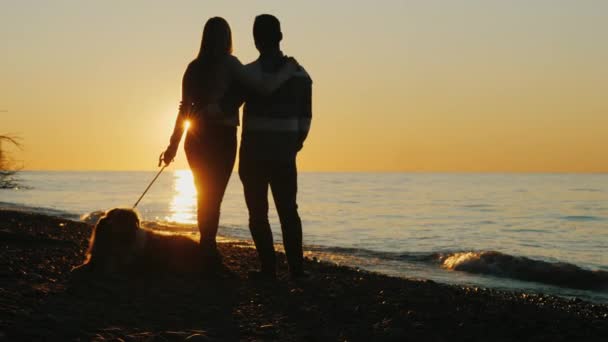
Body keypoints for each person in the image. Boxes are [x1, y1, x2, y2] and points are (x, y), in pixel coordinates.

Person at [161, 17, 298, 267]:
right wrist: (288, 70)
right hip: (222, 138)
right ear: (227, 38)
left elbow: (184, 111)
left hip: (194, 140)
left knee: (205, 194)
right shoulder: (231, 64)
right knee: (213, 197)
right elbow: (261, 87)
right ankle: (208, 253)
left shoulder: (193, 68)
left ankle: (207, 249)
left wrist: (172, 145)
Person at [219, 14, 313, 280]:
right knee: (288, 212)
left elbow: (227, 106)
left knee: (257, 213)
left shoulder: (248, 74)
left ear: (256, 40)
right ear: (280, 37)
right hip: (284, 153)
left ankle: (268, 269)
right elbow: (306, 116)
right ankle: (296, 270)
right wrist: (296, 142)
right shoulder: (300, 73)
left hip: (253, 153)